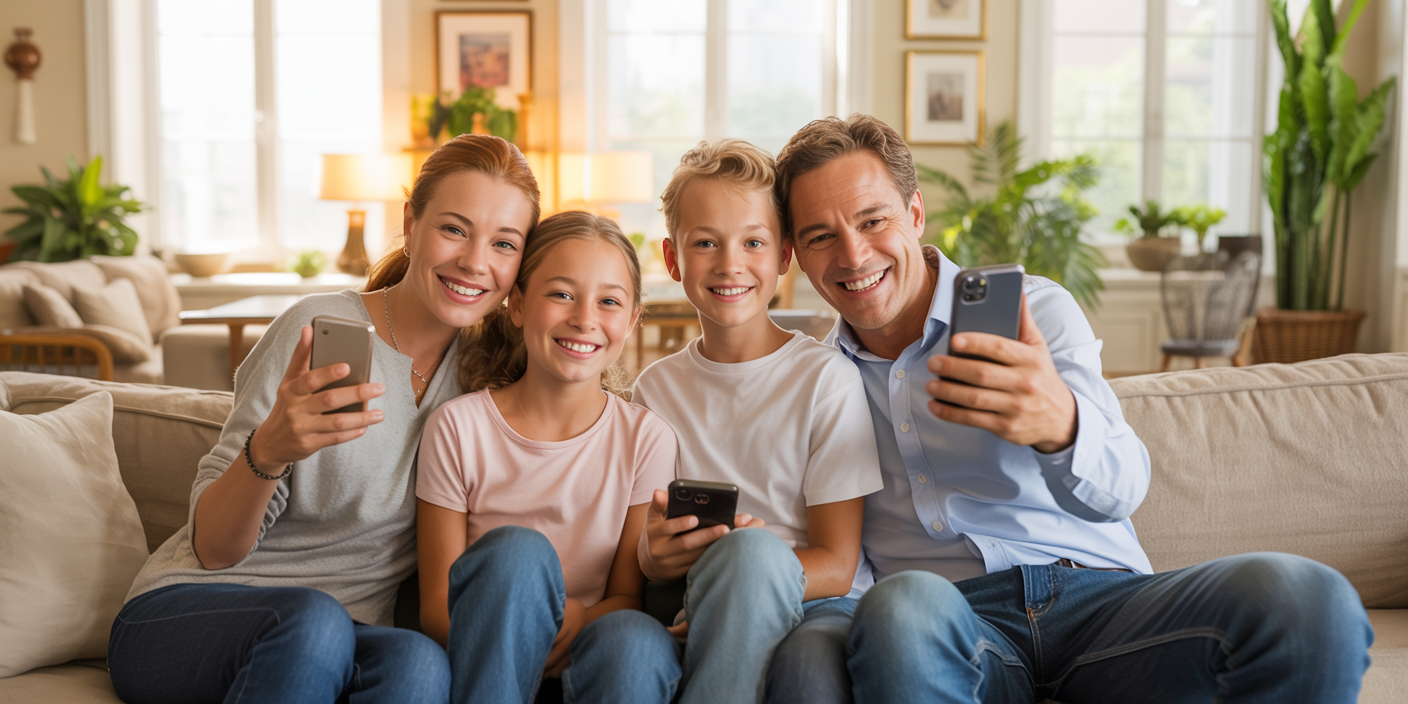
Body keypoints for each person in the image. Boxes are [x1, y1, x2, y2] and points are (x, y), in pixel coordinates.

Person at [766, 114, 1374, 703]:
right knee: (900, 609)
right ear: (794, 251)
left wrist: (1060, 424)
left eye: (874, 220)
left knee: (1308, 596)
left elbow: (1123, 490)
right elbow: (833, 554)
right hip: (952, 622)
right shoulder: (818, 382)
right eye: (821, 235)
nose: (852, 254)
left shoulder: (1038, 312)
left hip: (1101, 599)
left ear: (916, 213)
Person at [107, 134, 540, 704]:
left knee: (418, 665)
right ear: (410, 224)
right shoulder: (319, 327)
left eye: (504, 244)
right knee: (314, 620)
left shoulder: (489, 375)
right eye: (454, 229)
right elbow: (211, 548)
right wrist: (269, 451)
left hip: (348, 633)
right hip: (187, 616)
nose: (475, 261)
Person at [631, 139, 883, 704]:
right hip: (698, 597)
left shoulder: (826, 379)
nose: (729, 263)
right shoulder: (654, 390)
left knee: (754, 563)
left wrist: (737, 594)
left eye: (753, 241)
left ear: (783, 256)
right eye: (704, 243)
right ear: (672, 259)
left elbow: (839, 565)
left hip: (818, 604)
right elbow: (646, 555)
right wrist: (656, 554)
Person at [416, 211, 681, 704]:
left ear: (633, 319)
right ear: (516, 304)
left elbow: (626, 596)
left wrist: (576, 618)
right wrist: (518, 631)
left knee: (639, 642)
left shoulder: (647, 438)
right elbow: (435, 605)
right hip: (485, 646)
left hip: (591, 644)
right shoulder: (457, 427)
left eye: (608, 302)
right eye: (561, 294)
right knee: (518, 552)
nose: (584, 319)